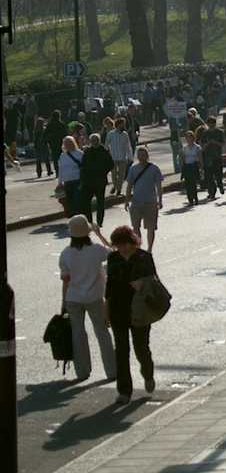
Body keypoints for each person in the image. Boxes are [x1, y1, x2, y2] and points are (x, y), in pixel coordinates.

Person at [59, 215, 116, 383]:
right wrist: (99, 234)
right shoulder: (97, 250)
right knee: (102, 332)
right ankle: (112, 370)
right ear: (88, 233)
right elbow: (113, 251)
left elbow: (66, 281)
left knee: (78, 334)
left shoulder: (66, 254)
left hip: (73, 298)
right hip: (95, 297)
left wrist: (63, 303)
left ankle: (82, 371)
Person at [105, 225, 157, 405]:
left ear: (132, 242)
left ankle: (148, 374)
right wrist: (107, 311)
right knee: (121, 350)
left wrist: (142, 283)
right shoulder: (112, 258)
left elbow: (154, 281)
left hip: (140, 309)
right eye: (119, 245)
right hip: (118, 309)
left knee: (141, 347)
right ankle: (124, 391)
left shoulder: (144, 257)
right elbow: (109, 287)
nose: (123, 249)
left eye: (126, 244)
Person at [124, 147, 164, 253]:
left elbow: (159, 186)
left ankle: (150, 249)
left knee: (151, 227)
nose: (141, 157)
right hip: (136, 202)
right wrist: (127, 200)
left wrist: (160, 200)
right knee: (135, 227)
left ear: (147, 156)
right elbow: (129, 186)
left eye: (143, 155)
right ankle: (139, 248)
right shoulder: (133, 169)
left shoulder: (154, 168)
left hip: (150, 202)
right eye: (139, 155)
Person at [81, 133, 114, 227]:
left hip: (97, 180)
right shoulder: (89, 151)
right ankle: (91, 221)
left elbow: (111, 164)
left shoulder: (103, 151)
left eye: (95, 140)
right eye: (92, 141)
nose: (94, 142)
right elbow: (83, 165)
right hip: (91, 181)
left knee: (98, 202)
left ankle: (98, 221)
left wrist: (103, 172)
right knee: (90, 202)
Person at [57, 136, 84, 217]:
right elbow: (61, 169)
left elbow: (85, 168)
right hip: (67, 181)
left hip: (77, 180)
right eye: (66, 144)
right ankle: (74, 216)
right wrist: (59, 182)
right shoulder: (62, 155)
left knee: (77, 199)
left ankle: (79, 216)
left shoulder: (80, 154)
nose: (68, 145)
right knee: (69, 200)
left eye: (69, 143)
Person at [106, 118, 133, 196]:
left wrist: (130, 157)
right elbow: (106, 145)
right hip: (113, 157)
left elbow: (128, 146)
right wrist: (106, 156)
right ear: (118, 125)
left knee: (122, 175)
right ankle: (115, 185)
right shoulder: (111, 134)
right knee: (114, 175)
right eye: (122, 124)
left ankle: (119, 189)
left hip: (122, 158)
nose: (123, 126)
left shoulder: (125, 134)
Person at [200, 117, 226, 199]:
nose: (211, 125)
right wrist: (208, 144)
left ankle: (220, 185)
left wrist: (215, 142)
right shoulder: (205, 133)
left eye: (212, 124)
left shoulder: (219, 132)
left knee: (218, 174)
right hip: (208, 157)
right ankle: (212, 192)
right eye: (209, 124)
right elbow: (202, 146)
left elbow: (223, 144)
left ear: (215, 124)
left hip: (217, 156)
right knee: (209, 176)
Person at [180, 131, 202, 206]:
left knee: (193, 184)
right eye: (187, 137)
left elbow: (200, 158)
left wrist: (201, 167)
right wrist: (182, 168)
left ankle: (195, 198)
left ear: (193, 138)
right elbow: (183, 158)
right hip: (187, 167)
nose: (189, 139)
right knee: (188, 184)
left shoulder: (197, 147)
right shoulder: (184, 148)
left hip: (194, 166)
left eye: (190, 137)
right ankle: (190, 199)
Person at [45, 110, 68, 177]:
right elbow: (65, 134)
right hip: (60, 142)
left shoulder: (50, 124)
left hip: (53, 143)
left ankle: (57, 171)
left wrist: (47, 141)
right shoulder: (61, 124)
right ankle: (61, 171)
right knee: (62, 157)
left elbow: (46, 134)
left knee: (55, 158)